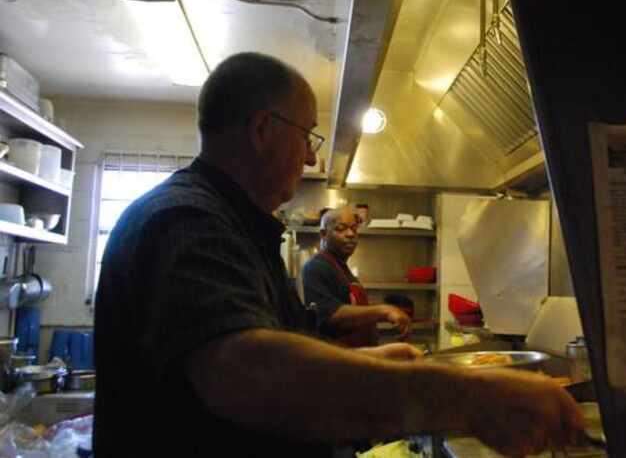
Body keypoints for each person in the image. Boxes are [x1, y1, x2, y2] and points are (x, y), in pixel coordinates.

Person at [93, 52, 584, 457]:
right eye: (307, 136)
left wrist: (374, 361)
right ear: (263, 128)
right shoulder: (185, 221)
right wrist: (473, 399)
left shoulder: (237, 228)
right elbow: (250, 374)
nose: (310, 156)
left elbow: (274, 345)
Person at [302, 206, 411, 347]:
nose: (350, 234)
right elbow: (331, 315)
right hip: (337, 360)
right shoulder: (316, 267)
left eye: (354, 229)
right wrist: (383, 311)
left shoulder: (341, 268)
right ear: (323, 234)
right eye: (341, 228)